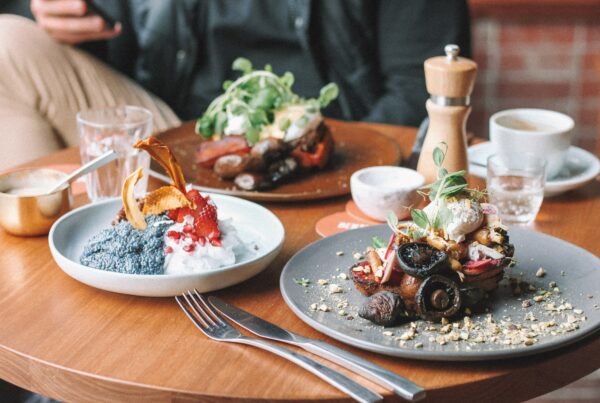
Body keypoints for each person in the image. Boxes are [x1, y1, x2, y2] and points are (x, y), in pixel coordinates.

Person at [0, 0, 470, 170]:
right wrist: (49, 11)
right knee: (8, 44)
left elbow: (417, 92)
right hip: (178, 137)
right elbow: (110, 31)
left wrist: (305, 160)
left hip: (330, 152)